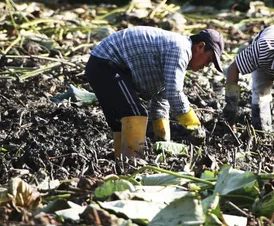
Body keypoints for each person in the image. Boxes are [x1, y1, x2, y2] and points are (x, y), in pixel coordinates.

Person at [85, 26, 224, 158]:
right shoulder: (181, 49)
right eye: (209, 59)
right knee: (135, 114)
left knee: (119, 121)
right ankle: (132, 163)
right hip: (106, 64)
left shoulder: (175, 54)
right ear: (200, 47)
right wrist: (194, 127)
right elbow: (174, 92)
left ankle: (120, 161)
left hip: (101, 65)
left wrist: (163, 141)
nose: (207, 65)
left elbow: (161, 99)